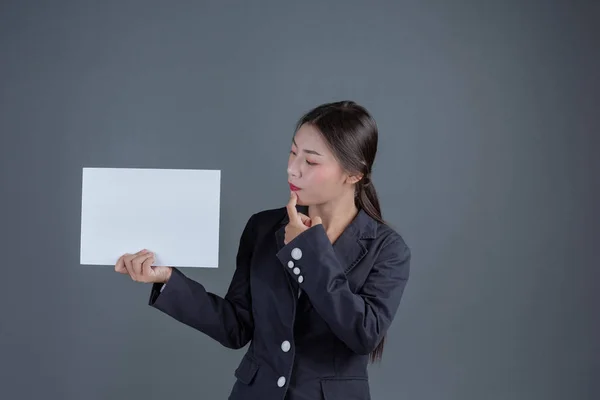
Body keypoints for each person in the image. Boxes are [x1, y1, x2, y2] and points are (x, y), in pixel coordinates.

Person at [115, 100, 411, 400]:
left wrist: (307, 250)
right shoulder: (263, 227)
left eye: (310, 161)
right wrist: (166, 280)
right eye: (293, 153)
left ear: (354, 174)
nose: (292, 169)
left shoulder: (387, 249)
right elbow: (236, 327)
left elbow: (363, 334)